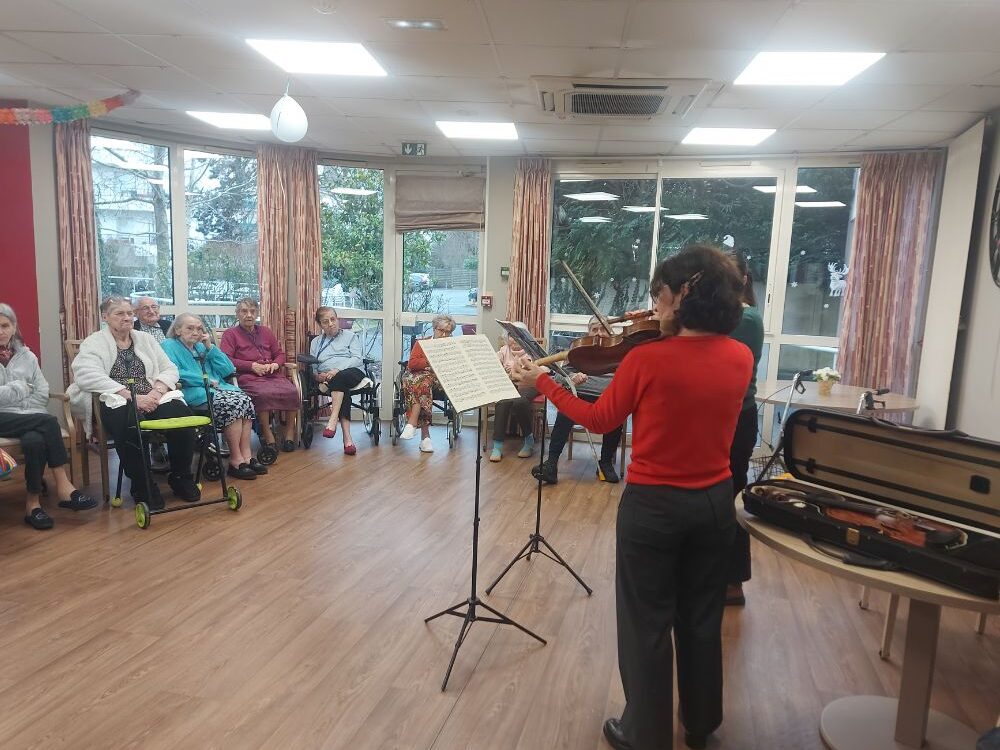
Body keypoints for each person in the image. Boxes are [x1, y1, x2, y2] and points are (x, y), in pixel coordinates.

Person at [512, 245, 752, 750]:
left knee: (647, 622)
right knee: (702, 617)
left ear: (683, 294)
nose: (653, 306)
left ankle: (644, 733)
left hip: (655, 507)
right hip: (714, 503)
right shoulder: (740, 356)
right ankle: (702, 723)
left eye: (659, 296)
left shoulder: (648, 359)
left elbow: (600, 420)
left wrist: (544, 384)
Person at [70, 296, 201, 510]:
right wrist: (130, 396)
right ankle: (142, 484)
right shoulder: (94, 342)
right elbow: (85, 374)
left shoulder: (145, 339)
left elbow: (169, 368)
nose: (127, 317)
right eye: (119, 314)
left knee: (184, 420)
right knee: (131, 427)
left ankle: (180, 477)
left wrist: (157, 393)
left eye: (129, 313)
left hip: (151, 395)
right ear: (105, 317)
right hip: (117, 398)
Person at [0, 303, 98, 529]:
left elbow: (42, 391)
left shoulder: (27, 356)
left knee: (34, 440)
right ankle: (64, 485)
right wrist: (21, 389)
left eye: (5, 325)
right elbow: (24, 391)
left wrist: (24, 403)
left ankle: (32, 505)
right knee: (48, 421)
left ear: (14, 327)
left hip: (28, 417)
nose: (1, 331)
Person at [161, 313, 265, 481]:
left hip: (218, 389)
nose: (195, 332)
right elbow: (173, 372)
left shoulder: (201, 347)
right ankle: (236, 460)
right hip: (193, 390)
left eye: (198, 328)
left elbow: (228, 369)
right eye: (190, 328)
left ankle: (247, 457)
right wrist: (206, 380)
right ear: (178, 330)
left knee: (244, 399)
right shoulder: (168, 345)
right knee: (232, 404)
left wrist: (211, 347)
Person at [531, 316, 625, 484]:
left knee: (617, 412)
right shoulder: (580, 351)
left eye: (603, 329)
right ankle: (551, 465)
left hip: (606, 397)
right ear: (588, 332)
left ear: (610, 332)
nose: (599, 334)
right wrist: (572, 377)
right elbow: (560, 376)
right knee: (565, 411)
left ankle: (605, 463)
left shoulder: (618, 352)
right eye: (594, 329)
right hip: (580, 395)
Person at [726, 253, 764, 607]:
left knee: (732, 494)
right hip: (716, 418)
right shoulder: (718, 316)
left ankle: (733, 581)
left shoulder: (745, 318)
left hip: (738, 420)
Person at [220, 298, 300, 453]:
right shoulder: (230, 334)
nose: (248, 315)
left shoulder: (265, 331)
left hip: (272, 375)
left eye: (252, 311)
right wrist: (251, 366)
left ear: (257, 313)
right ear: (237, 314)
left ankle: (289, 432)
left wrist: (275, 364)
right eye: (244, 311)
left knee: (292, 391)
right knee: (263, 395)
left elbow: (279, 354)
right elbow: (225, 359)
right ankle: (267, 433)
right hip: (248, 376)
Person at [309, 306, 367, 455]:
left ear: (337, 319)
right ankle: (347, 440)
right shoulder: (316, 342)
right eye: (325, 322)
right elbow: (313, 366)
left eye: (333, 319)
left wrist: (337, 369)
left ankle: (333, 419)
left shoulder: (350, 336)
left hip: (352, 372)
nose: (331, 324)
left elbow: (356, 358)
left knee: (339, 377)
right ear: (320, 325)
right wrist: (317, 376)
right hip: (330, 378)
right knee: (342, 389)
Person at [399, 314, 455, 453]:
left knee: (422, 382)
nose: (444, 334)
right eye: (441, 330)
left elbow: (451, 366)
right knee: (421, 382)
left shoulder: (453, 346)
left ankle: (412, 424)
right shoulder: (422, 343)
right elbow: (412, 364)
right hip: (417, 377)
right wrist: (431, 362)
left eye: (447, 332)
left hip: (439, 379)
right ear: (434, 328)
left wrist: (427, 364)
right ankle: (425, 438)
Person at [490, 334, 535, 462]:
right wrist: (498, 364)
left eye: (517, 336)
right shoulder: (504, 350)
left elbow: (539, 368)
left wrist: (518, 366)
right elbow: (493, 362)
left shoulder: (531, 350)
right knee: (503, 402)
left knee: (519, 402)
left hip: (528, 384)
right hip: (509, 383)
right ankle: (497, 446)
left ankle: (529, 439)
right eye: (511, 336)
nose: (514, 340)